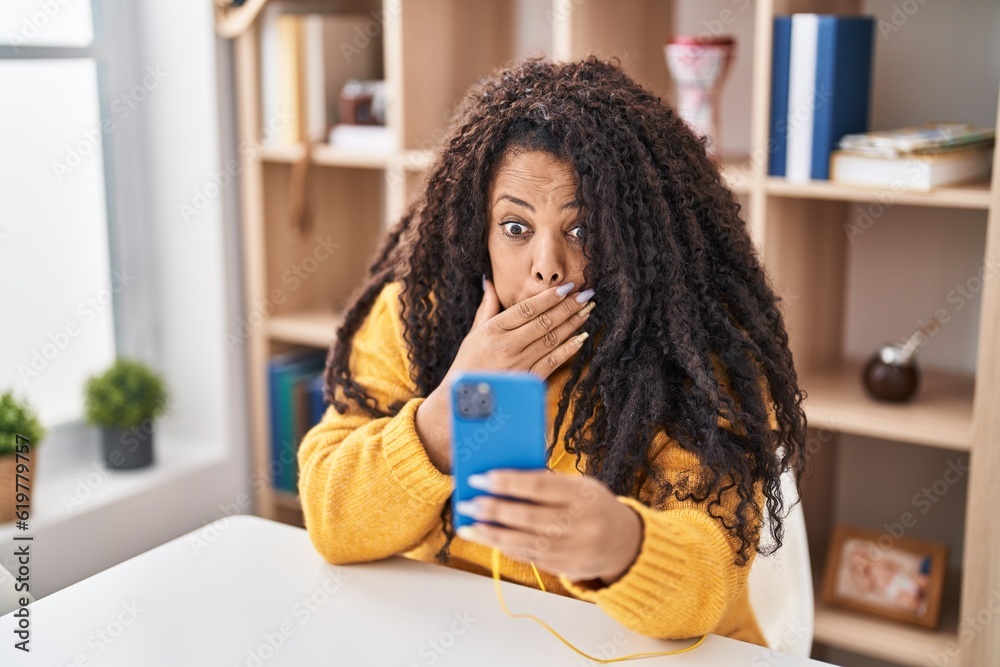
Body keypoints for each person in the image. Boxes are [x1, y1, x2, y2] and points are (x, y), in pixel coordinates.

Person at [297, 56, 809, 648]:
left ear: (638, 239)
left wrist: (622, 545)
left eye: (582, 230)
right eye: (515, 227)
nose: (546, 266)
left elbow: (709, 581)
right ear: (477, 229)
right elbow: (330, 520)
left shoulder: (696, 353)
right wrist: (444, 416)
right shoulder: (416, 317)